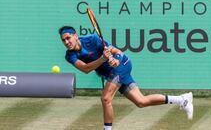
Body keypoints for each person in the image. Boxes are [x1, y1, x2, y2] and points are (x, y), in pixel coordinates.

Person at [58, 26, 193, 130]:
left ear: (76, 36)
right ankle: (182, 100)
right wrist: (103, 59)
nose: (66, 42)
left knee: (105, 98)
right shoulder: (69, 56)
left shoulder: (92, 39)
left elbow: (117, 51)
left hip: (122, 65)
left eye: (68, 38)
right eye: (63, 40)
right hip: (112, 73)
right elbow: (86, 69)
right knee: (141, 101)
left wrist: (115, 59)